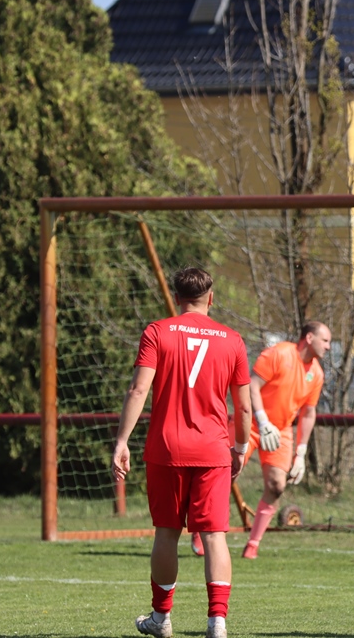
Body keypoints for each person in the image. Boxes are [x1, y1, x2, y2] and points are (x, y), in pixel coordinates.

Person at [111, 268, 252, 638]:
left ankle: (161, 618)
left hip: (167, 449)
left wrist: (122, 440)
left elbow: (138, 390)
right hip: (213, 450)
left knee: (166, 534)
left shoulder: (157, 332)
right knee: (215, 536)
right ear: (211, 298)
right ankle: (217, 623)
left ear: (176, 297)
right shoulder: (232, 340)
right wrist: (240, 447)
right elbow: (243, 407)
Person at [192, 322, 330, 560]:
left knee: (277, 486)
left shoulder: (316, 373)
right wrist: (263, 422)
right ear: (309, 338)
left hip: (281, 430)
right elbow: (251, 386)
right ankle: (199, 529)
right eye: (325, 340)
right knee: (223, 475)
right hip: (251, 423)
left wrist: (301, 453)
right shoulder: (278, 354)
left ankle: (253, 545)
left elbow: (308, 413)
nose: (328, 346)